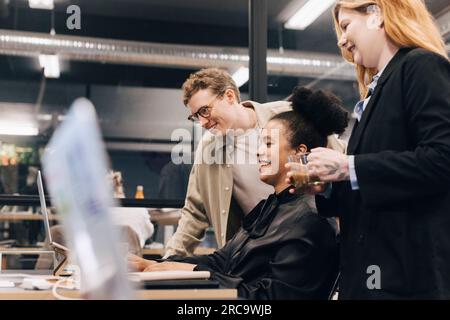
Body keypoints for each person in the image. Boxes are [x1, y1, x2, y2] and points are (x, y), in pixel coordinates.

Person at [288, 0, 450, 299]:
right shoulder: (376, 93)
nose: (340, 39)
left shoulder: (421, 66)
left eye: (346, 26)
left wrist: (349, 167)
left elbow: (442, 160)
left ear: (376, 15)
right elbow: (376, 185)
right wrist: (327, 187)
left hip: (407, 279)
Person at [129, 87, 348, 299]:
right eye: (261, 143)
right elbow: (222, 260)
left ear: (299, 152)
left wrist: (194, 275)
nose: (259, 151)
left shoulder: (309, 221)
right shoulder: (268, 207)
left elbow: (269, 296)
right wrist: (153, 264)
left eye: (269, 143)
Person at [164, 68, 345, 257]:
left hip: (311, 242)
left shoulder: (287, 116)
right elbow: (194, 212)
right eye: (196, 116)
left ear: (229, 96)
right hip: (259, 253)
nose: (202, 123)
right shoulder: (208, 148)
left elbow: (339, 158)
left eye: (205, 111)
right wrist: (167, 260)